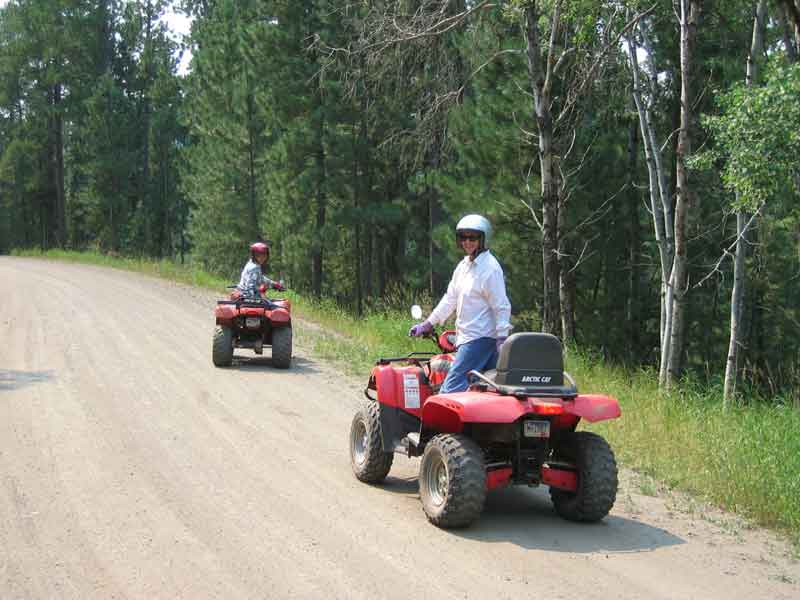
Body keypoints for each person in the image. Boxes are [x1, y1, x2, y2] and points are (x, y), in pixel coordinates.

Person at [409, 214, 512, 393]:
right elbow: (450, 299)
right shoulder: (463, 267)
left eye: (473, 237)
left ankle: (435, 422)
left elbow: (501, 306)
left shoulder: (490, 268)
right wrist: (428, 323)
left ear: (483, 239)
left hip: (479, 339)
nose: (467, 242)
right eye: (463, 237)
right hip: (468, 340)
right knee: (480, 392)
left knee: (448, 393)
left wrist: (502, 337)